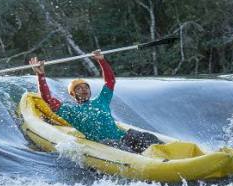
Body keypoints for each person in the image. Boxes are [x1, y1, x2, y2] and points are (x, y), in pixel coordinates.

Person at [29, 50, 161, 153]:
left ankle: (167, 154)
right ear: (73, 95)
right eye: (79, 89)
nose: (84, 90)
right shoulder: (70, 111)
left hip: (123, 136)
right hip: (105, 143)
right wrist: (40, 75)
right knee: (121, 148)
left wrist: (101, 61)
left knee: (148, 138)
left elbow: (110, 81)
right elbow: (48, 98)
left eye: (86, 87)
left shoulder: (101, 100)